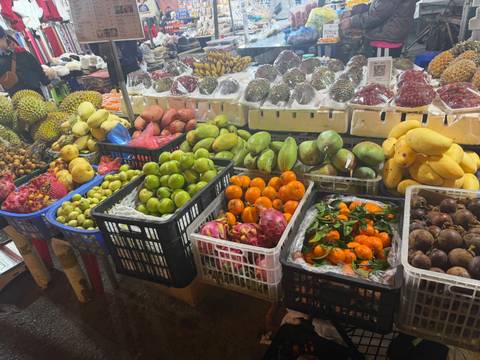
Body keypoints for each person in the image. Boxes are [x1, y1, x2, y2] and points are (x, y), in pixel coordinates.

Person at [339, 0, 419, 57]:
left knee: (380, 76)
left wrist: (351, 21)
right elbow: (378, 6)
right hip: (385, 37)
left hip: (385, 41)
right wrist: (354, 11)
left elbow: (377, 15)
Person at [0, 26, 49, 95]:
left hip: (34, 90)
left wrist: (45, 81)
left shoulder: (20, 51)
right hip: (17, 96)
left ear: (4, 37)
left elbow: (36, 66)